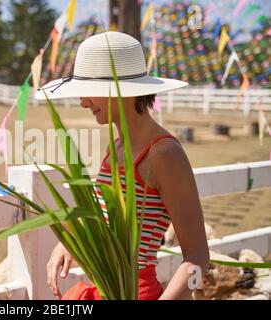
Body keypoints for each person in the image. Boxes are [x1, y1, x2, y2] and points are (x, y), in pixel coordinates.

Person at [35, 32, 209, 300]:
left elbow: (198, 258)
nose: (83, 103)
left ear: (119, 90)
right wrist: (70, 243)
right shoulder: (114, 150)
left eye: (88, 91)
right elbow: (109, 223)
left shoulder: (165, 154)